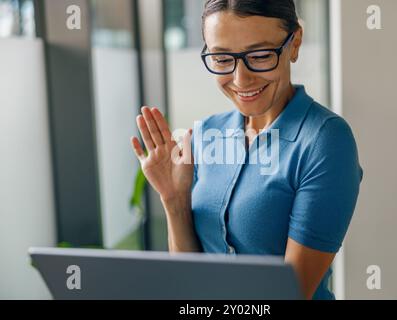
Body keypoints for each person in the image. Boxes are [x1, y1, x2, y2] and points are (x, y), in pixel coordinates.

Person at [131, 0, 363, 300]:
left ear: (294, 44)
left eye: (261, 55)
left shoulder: (325, 141)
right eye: (222, 59)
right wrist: (174, 200)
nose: (241, 79)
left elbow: (290, 294)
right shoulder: (207, 134)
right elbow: (190, 279)